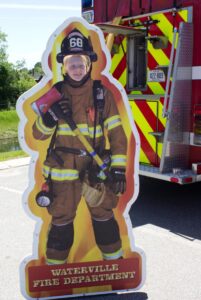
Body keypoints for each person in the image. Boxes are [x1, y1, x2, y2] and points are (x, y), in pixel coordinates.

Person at [32, 29, 128, 265]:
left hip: (95, 171)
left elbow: (117, 133)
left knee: (104, 217)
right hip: (62, 172)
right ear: (64, 67)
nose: (76, 68)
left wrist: (118, 169)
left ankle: (113, 266)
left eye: (81, 63)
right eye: (71, 64)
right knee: (61, 222)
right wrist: (48, 119)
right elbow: (38, 134)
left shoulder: (101, 94)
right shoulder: (55, 95)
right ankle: (55, 274)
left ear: (88, 65)